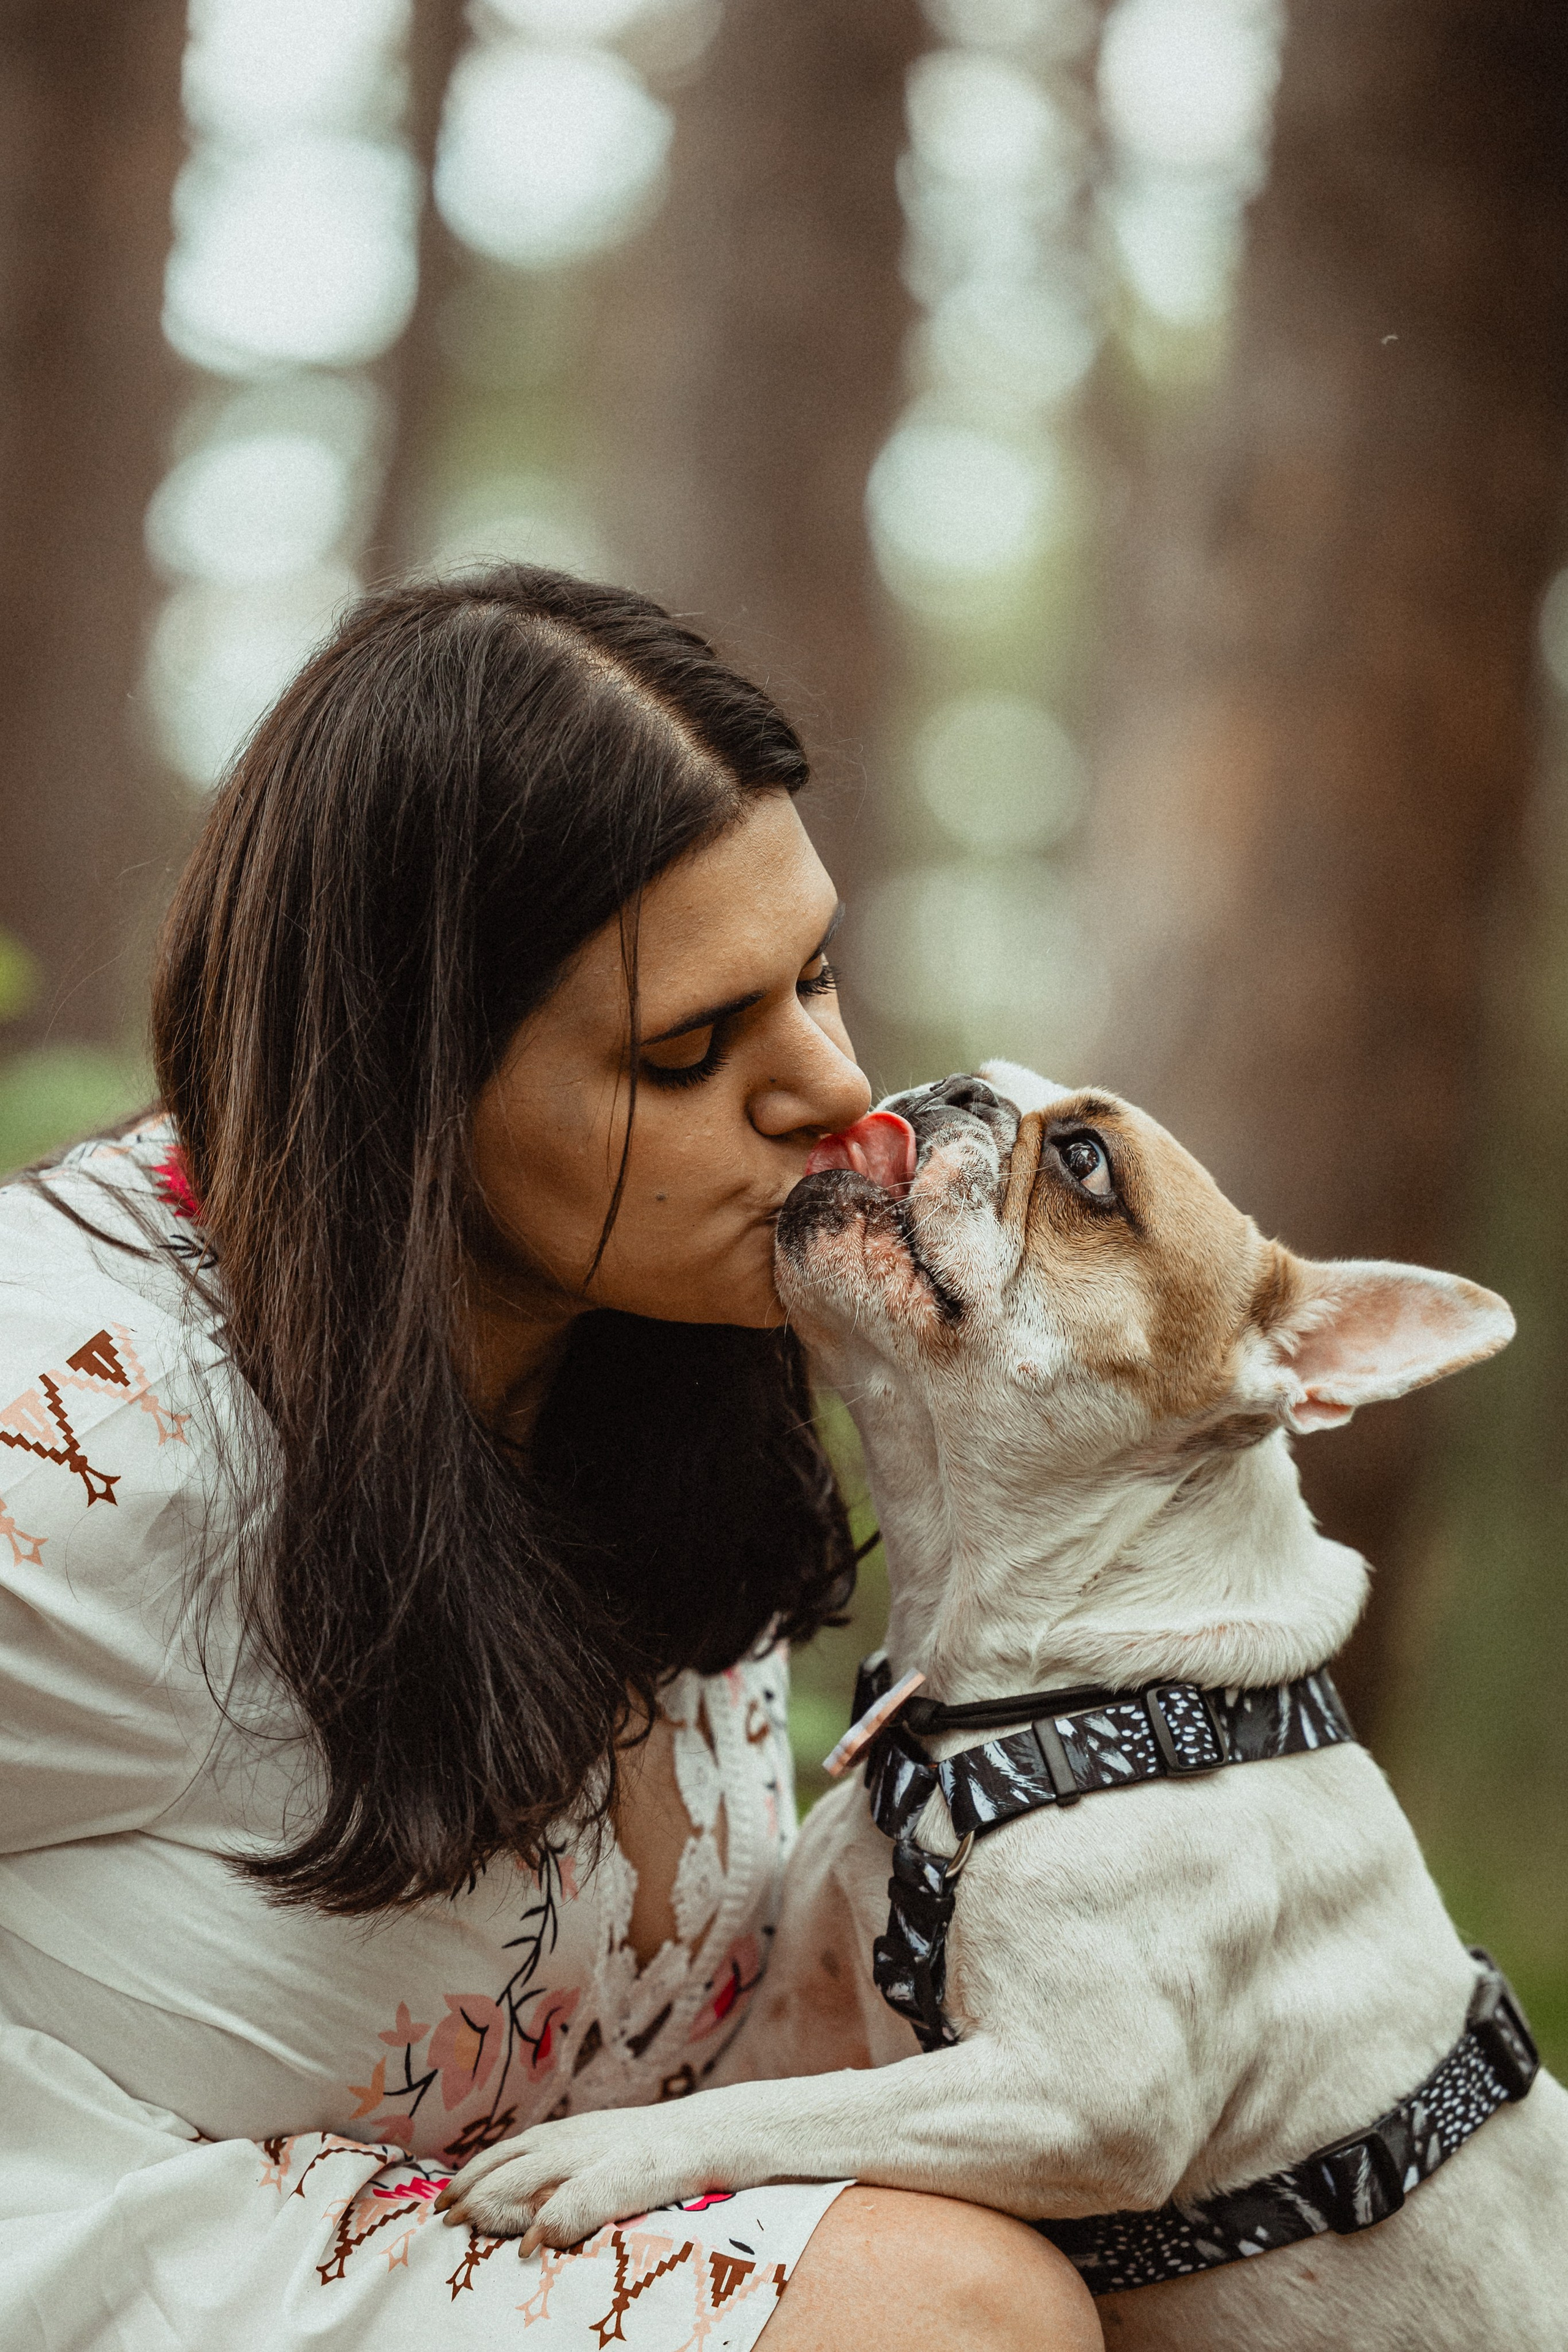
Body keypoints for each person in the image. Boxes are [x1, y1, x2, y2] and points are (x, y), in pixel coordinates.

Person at [0, 567, 1099, 2352]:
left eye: (815, 974)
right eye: (689, 1048)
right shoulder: (88, 1431)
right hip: (148, 2266)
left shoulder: (653, 1340)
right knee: (953, 2319)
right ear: (410, 1081)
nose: (836, 1092)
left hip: (545, 2198)